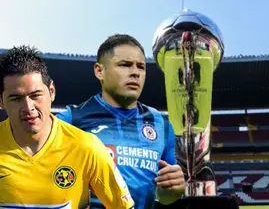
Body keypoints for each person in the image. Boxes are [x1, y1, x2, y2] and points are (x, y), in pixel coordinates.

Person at [57, 34, 186, 209]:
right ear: (99, 71)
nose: (135, 72)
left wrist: (173, 190)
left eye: (141, 67)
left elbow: (164, 196)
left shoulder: (161, 124)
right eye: (125, 65)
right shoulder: (71, 119)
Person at [0, 45, 134, 209]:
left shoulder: (86, 147)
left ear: (52, 91)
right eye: (16, 98)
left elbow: (123, 206)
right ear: (1, 101)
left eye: (35, 95)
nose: (28, 108)